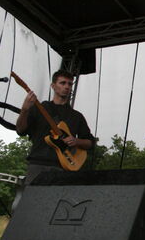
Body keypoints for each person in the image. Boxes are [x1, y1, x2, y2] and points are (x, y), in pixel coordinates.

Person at [14, 69, 94, 209]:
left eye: (70, 84)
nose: (67, 87)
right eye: (62, 83)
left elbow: (90, 142)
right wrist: (25, 109)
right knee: (29, 207)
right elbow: (20, 130)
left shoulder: (76, 116)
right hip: (37, 164)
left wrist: (76, 141)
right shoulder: (39, 108)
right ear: (53, 86)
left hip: (62, 167)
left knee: (54, 208)